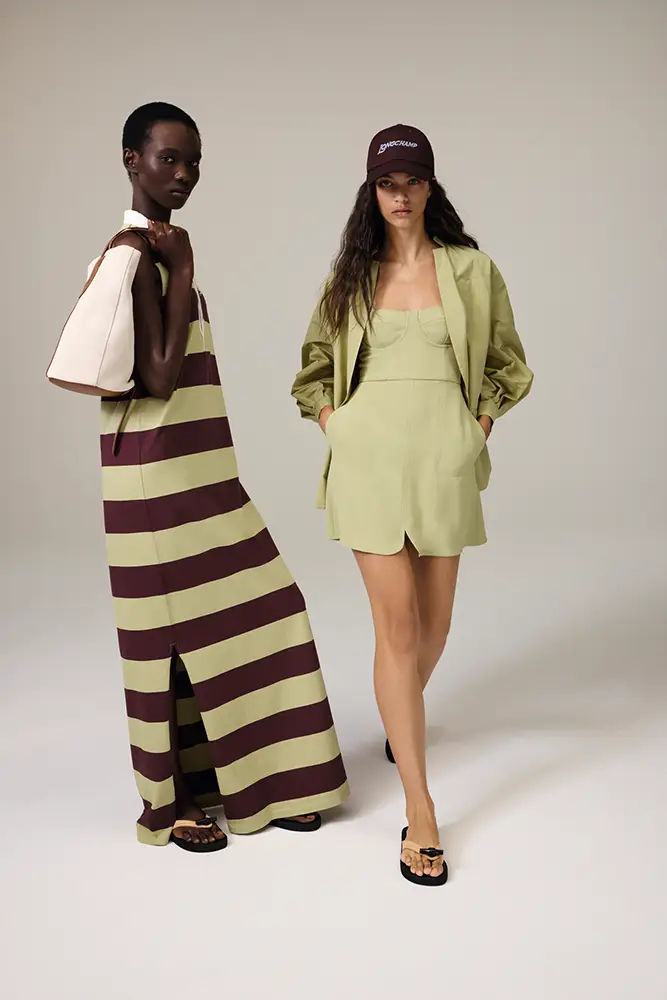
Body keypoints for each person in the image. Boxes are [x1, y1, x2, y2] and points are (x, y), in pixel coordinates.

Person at [100, 103, 348, 852]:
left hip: (199, 473)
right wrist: (183, 269)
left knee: (243, 618)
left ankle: (261, 782)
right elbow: (160, 377)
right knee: (169, 644)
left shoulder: (156, 248)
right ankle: (171, 803)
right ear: (131, 160)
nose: (184, 174)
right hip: (154, 482)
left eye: (194, 162)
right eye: (168, 158)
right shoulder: (133, 255)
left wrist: (179, 266)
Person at [291, 124, 533, 884]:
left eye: (412, 181)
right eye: (386, 184)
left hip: (442, 463)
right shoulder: (350, 279)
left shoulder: (472, 270)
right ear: (372, 191)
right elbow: (312, 371)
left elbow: (507, 364)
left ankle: (401, 718)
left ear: (430, 186)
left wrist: (476, 428)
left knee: (436, 627)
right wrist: (338, 426)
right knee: (395, 628)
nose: (399, 196)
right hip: (368, 463)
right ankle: (420, 808)